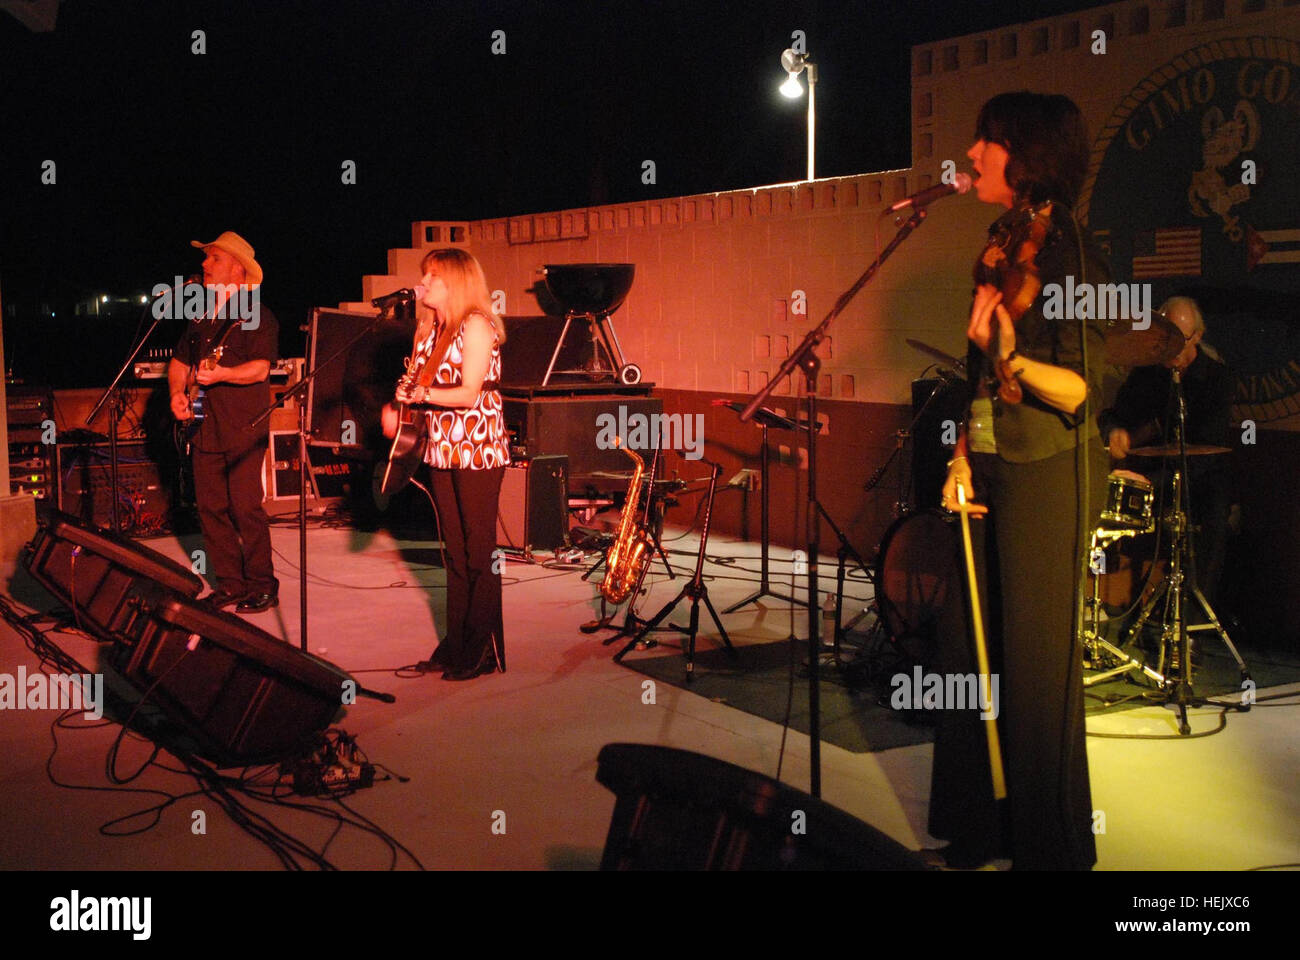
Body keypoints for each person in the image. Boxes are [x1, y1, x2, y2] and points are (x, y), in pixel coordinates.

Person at [928, 92, 1108, 870]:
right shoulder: (1003, 241)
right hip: (995, 459)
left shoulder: (1065, 246)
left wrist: (1007, 352)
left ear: (1024, 153)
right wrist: (963, 454)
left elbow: (1079, 388)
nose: (972, 154)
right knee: (967, 650)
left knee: (1036, 667)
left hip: (1052, 464)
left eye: (988, 141)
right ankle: (977, 826)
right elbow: (977, 376)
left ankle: (1053, 849)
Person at [385, 249, 509, 681]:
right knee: (453, 553)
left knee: (479, 551)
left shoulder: (476, 325)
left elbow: (468, 393)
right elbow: (422, 384)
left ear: (453, 282)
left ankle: (480, 648)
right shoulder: (429, 329)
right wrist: (406, 392)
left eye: (432, 277)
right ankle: (457, 641)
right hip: (442, 447)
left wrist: (421, 395)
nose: (425, 284)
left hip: (478, 448)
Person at [168, 231, 280, 613]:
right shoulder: (200, 316)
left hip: (243, 427)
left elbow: (260, 370)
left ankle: (262, 585)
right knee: (210, 507)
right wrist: (175, 393)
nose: (205, 265)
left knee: (245, 507)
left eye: (214, 259)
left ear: (236, 268)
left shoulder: (256, 314)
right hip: (204, 427)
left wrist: (222, 375)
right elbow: (180, 362)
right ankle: (230, 584)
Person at [1100, 296, 1235, 607]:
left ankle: (1195, 614)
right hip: (1147, 473)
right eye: (1162, 338)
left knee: (1216, 510)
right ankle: (1104, 601)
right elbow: (1114, 414)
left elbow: (1208, 451)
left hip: (1195, 479)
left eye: (1177, 339)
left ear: (1197, 337)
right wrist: (1115, 431)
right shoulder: (1146, 374)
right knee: (1102, 495)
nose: (1167, 347)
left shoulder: (1217, 379)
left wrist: (1154, 480)